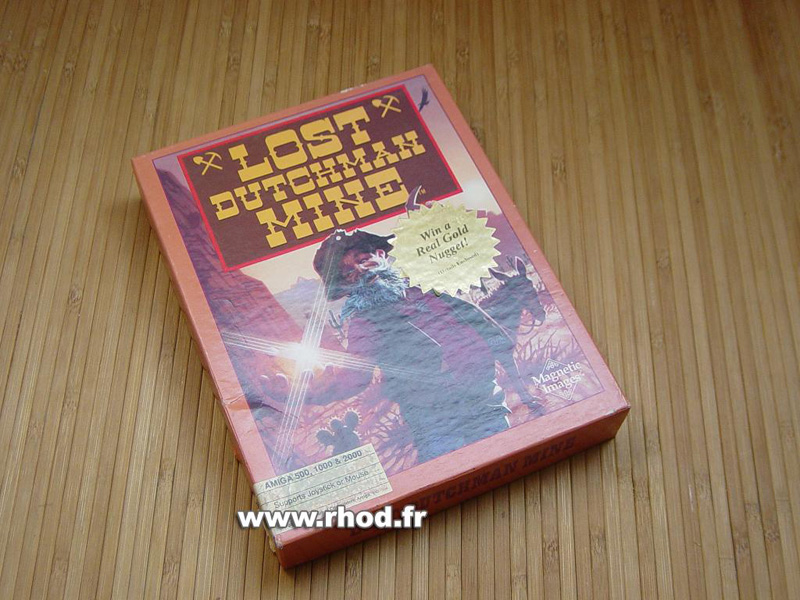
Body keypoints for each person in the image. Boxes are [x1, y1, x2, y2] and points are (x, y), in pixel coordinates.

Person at [290, 227, 540, 463]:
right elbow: (354, 377)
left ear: (381, 255)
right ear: (345, 286)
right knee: (450, 466)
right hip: (433, 418)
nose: (361, 271)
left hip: (483, 400)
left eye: (363, 259)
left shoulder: (426, 290)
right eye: (347, 274)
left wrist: (495, 351)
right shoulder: (363, 324)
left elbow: (472, 316)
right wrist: (312, 391)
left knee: (503, 455)